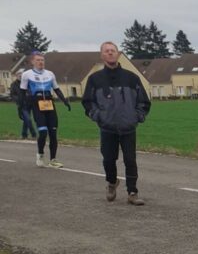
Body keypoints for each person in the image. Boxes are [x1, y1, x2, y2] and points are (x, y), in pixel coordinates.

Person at [82, 41, 151, 205]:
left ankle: (132, 192)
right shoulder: (95, 79)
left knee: (130, 160)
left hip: (128, 127)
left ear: (118, 53)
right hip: (107, 128)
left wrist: (137, 117)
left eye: (113, 50)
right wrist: (98, 116)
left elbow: (143, 101)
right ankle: (112, 182)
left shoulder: (132, 78)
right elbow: (88, 102)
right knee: (108, 159)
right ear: (102, 55)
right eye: (107, 51)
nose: (110, 53)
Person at [20, 51, 71, 167]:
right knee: (43, 132)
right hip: (37, 105)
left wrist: (65, 101)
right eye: (38, 60)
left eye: (42, 60)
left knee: (53, 133)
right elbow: (22, 92)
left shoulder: (50, 74)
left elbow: (56, 89)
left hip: (49, 104)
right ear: (32, 62)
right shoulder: (27, 75)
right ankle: (40, 154)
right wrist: (21, 108)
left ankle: (53, 160)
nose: (40, 62)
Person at [10, 70, 36, 139]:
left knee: (26, 120)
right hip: (21, 104)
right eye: (19, 75)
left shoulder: (27, 83)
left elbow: (31, 91)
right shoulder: (14, 84)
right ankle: (34, 134)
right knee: (28, 119)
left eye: (21, 75)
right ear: (16, 76)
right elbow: (12, 95)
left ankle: (24, 135)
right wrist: (19, 99)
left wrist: (30, 96)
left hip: (29, 103)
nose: (20, 76)